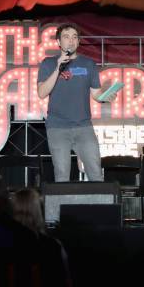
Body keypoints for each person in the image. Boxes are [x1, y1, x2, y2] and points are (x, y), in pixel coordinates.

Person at [38, 23, 114, 182]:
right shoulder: (48, 63)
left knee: (95, 172)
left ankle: (100, 206)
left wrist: (105, 97)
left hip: (84, 127)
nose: (70, 41)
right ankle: (62, 207)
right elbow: (42, 92)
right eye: (66, 37)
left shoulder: (89, 64)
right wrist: (58, 68)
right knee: (62, 175)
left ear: (78, 41)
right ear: (59, 42)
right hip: (57, 127)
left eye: (74, 37)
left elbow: (96, 94)